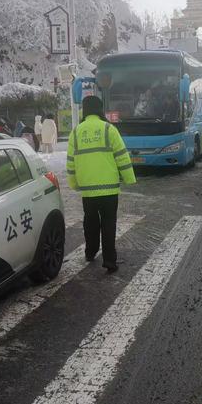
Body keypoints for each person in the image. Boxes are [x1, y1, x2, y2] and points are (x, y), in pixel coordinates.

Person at [66, 96, 136, 273]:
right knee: (108, 222)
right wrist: (129, 178)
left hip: (88, 191)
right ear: (100, 110)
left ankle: (90, 252)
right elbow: (121, 155)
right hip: (109, 189)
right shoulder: (108, 129)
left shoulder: (76, 132)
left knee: (90, 222)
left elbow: (70, 162)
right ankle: (110, 260)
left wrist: (74, 184)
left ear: (85, 110)